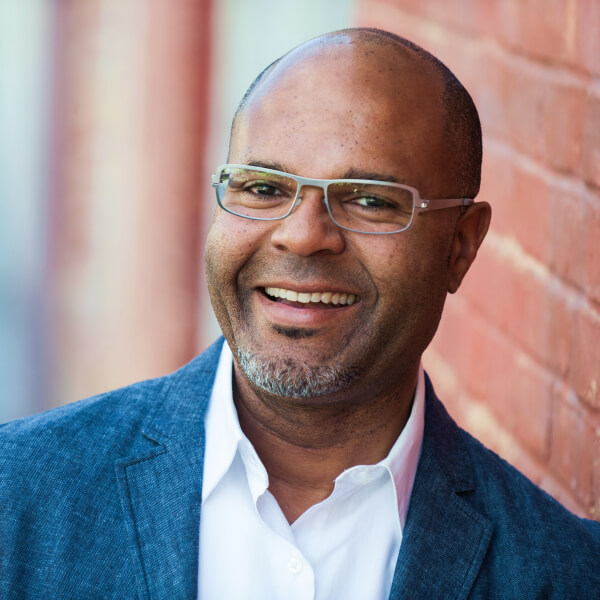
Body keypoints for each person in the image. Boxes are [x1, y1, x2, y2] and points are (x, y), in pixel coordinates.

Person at [1, 27, 599, 600]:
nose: (302, 236)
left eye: (368, 199)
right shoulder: (18, 495)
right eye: (262, 188)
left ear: (461, 246)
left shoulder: (565, 574)